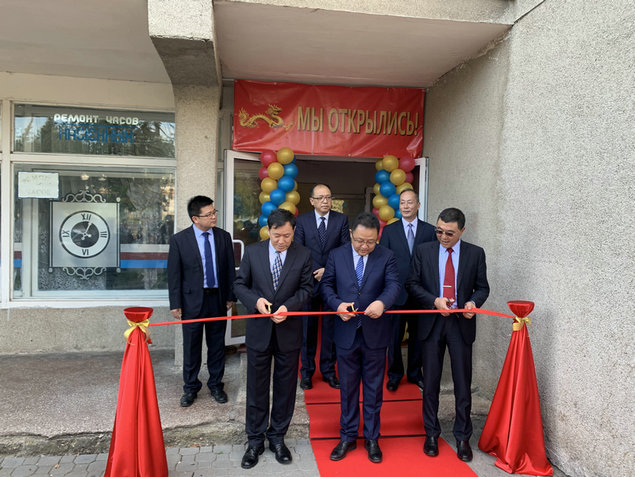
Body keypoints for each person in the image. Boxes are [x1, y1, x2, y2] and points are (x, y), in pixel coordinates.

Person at [405, 207, 489, 462]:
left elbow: (482, 288)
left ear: (462, 231)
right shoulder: (424, 251)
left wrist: (473, 303)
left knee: (462, 384)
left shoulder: (475, 253)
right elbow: (412, 284)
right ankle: (431, 433)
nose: (443, 237)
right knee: (430, 383)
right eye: (439, 231)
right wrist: (434, 301)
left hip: (460, 325)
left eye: (449, 233)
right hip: (432, 323)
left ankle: (462, 437)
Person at [233, 208, 313, 470]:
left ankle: (278, 437)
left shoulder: (303, 254)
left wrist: (289, 307)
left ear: (294, 232)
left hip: (289, 331)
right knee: (256, 387)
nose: (282, 241)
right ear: (268, 231)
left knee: (285, 387)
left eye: (287, 236)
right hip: (259, 331)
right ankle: (255, 440)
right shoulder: (253, 252)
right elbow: (239, 285)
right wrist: (255, 301)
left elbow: (307, 289)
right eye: (277, 235)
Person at [320, 212, 401, 464]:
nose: (364, 246)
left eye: (370, 242)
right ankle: (347, 435)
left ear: (377, 238)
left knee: (374, 389)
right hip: (346, 332)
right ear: (351, 235)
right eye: (359, 241)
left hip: (375, 333)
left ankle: (372, 437)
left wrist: (382, 302)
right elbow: (326, 286)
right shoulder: (336, 255)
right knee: (348, 387)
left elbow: (394, 285)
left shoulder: (386, 256)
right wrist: (337, 305)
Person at [167, 196, 236, 407]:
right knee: (191, 346)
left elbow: (229, 269)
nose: (214, 216)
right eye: (209, 214)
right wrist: (175, 303)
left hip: (217, 299)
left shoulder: (223, 237)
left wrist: (230, 295)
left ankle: (216, 385)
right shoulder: (180, 240)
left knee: (217, 345)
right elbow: (174, 274)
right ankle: (190, 388)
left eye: (214, 212)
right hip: (191, 301)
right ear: (195, 218)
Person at [379, 189, 436, 392]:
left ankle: (414, 373)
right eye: (402, 202)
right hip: (396, 293)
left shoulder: (430, 231)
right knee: (393, 337)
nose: (405, 206)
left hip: (421, 292)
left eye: (410, 202)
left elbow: (433, 262)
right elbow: (382, 262)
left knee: (418, 336)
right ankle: (394, 375)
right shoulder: (389, 231)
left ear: (418, 205)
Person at [295, 184, 350, 390]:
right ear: (312, 201)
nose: (325, 201)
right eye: (320, 198)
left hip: (332, 283)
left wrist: (327, 270)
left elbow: (345, 249)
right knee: (307, 331)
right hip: (309, 282)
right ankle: (307, 373)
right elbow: (299, 250)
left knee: (330, 330)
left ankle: (329, 372)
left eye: (328, 197)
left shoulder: (341, 220)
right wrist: (315, 269)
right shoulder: (302, 221)